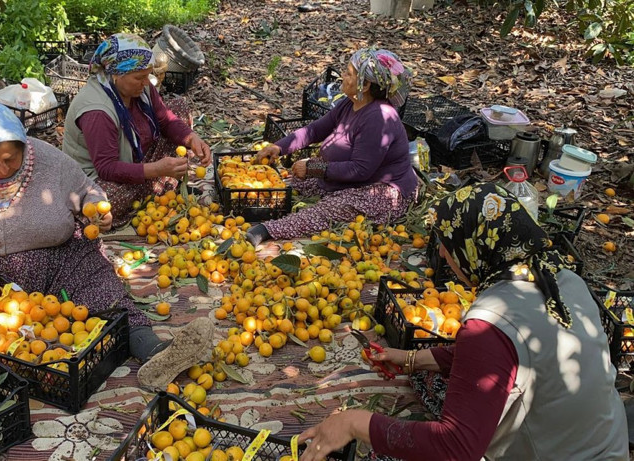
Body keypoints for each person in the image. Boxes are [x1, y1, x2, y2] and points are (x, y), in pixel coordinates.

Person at [296, 183, 628, 461]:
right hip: (606, 447)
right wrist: (411, 359)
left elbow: (455, 449)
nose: (442, 254)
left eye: (447, 243)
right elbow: (502, 360)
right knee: (431, 380)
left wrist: (354, 423)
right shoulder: (562, 279)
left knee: (387, 449)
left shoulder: (489, 322)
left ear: (474, 244)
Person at [0, 103, 213, 386]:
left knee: (101, 284)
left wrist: (96, 209)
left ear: (23, 145)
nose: (4, 169)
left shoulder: (47, 159)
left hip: (56, 261)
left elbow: (87, 189)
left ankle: (151, 348)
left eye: (11, 158)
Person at [246, 49, 417, 246]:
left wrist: (313, 168)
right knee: (290, 185)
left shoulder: (379, 118)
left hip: (380, 189)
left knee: (331, 209)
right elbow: (315, 130)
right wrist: (279, 147)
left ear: (365, 85)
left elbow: (360, 170)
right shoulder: (350, 103)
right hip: (346, 178)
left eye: (348, 73)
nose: (342, 76)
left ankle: (269, 230)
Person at [62, 33, 212, 227]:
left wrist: (191, 138)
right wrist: (156, 169)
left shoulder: (142, 87)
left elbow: (165, 120)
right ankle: (153, 189)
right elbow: (107, 168)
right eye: (139, 77)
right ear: (116, 74)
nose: (146, 82)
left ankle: (156, 187)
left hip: (135, 156)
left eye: (147, 75)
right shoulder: (97, 112)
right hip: (97, 179)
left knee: (178, 108)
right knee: (105, 203)